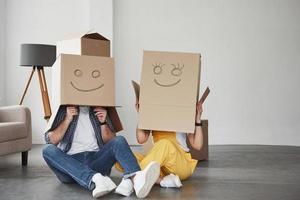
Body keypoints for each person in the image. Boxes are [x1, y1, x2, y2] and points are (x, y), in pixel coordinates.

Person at [42, 105, 160, 198]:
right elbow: (51, 140)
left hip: (96, 161)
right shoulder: (63, 109)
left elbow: (111, 141)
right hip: (70, 166)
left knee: (119, 140)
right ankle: (95, 179)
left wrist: (103, 122)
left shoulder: (100, 108)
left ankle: (136, 179)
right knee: (47, 149)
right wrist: (67, 119)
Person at [115, 101, 204, 189]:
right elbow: (141, 139)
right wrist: (142, 115)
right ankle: (162, 181)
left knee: (165, 144)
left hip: (180, 166)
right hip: (160, 168)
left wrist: (198, 119)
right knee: (123, 157)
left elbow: (197, 145)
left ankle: (133, 178)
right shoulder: (154, 113)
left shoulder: (182, 112)